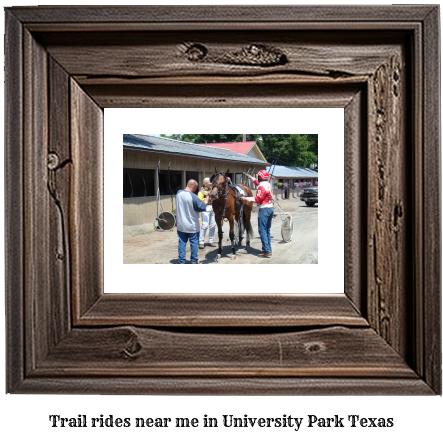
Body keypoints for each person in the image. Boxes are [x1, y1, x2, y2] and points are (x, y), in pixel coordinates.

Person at [241, 170, 274, 257]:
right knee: (267, 230)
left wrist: (245, 198)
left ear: (260, 177)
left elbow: (258, 199)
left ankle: (266, 250)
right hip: (270, 208)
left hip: (264, 209)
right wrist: (251, 177)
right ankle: (268, 249)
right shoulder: (267, 184)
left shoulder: (261, 187)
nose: (257, 178)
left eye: (258, 177)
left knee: (262, 230)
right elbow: (257, 182)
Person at [175, 179, 209, 264]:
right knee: (194, 243)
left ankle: (181, 261)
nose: (195, 190)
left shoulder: (178, 193)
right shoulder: (193, 197)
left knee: (182, 243)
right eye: (195, 188)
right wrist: (208, 198)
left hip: (181, 225)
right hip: (192, 225)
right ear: (193, 187)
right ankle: (194, 261)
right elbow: (202, 206)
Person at [197, 177, 216, 249]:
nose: (211, 183)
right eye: (209, 182)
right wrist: (207, 198)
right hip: (205, 208)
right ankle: (201, 242)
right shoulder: (201, 192)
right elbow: (199, 200)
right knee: (205, 225)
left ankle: (211, 240)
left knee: (213, 225)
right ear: (205, 184)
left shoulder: (212, 190)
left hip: (213, 208)